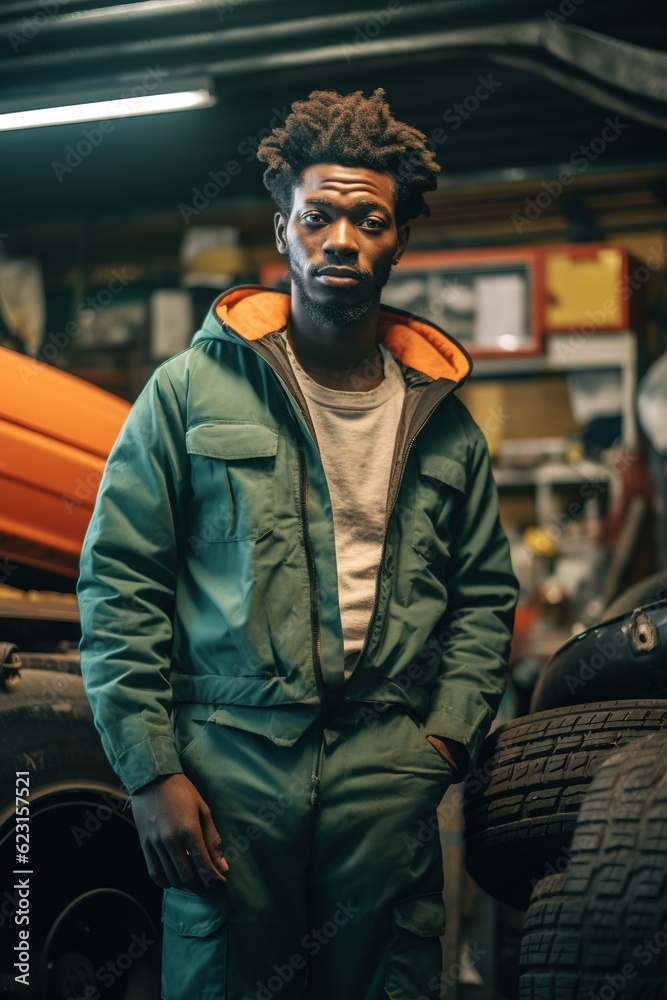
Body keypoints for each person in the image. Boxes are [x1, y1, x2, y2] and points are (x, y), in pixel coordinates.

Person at [78, 87, 519, 1000]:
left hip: (385, 766)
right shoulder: (186, 393)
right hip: (228, 762)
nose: (342, 240)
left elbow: (483, 599)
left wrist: (440, 744)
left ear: (397, 241)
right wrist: (152, 771)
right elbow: (121, 583)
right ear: (281, 229)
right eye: (317, 216)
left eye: (369, 218)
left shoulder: (443, 425)